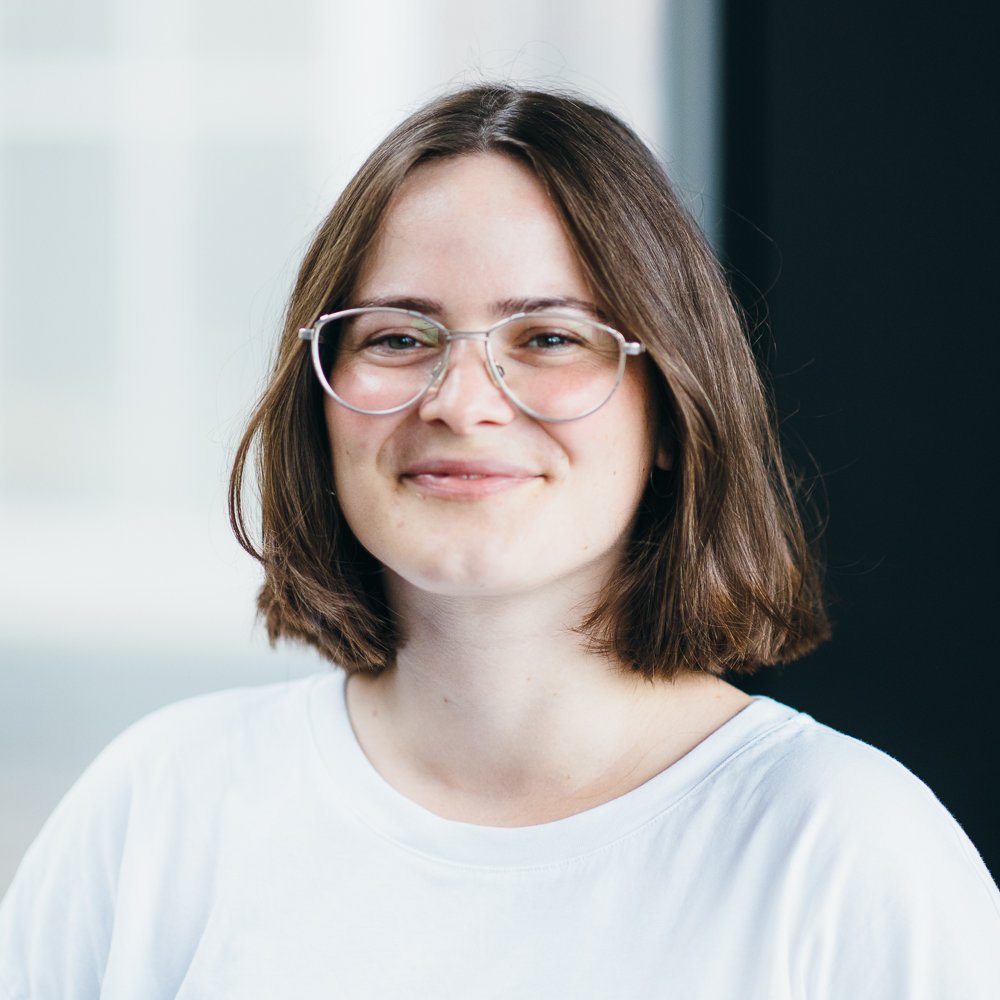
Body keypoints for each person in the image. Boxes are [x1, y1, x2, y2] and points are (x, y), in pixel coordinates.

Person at [1, 84, 997, 999]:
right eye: (397, 336)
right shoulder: (160, 807)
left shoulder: (846, 851)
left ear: (670, 411)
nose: (462, 402)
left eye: (549, 337)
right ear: (321, 399)